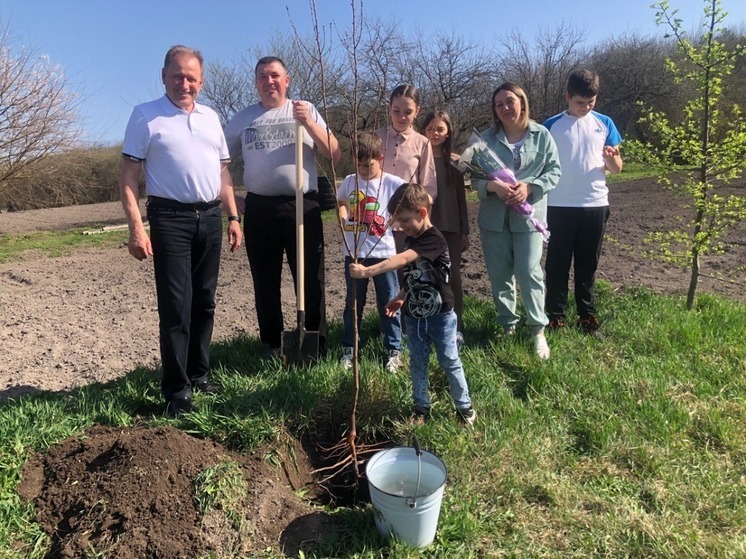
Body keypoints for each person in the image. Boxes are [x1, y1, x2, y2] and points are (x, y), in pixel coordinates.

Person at [119, 45, 243, 417]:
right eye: (177, 76)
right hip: (169, 219)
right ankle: (176, 391)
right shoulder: (145, 117)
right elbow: (128, 178)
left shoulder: (211, 118)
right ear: (164, 76)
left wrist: (233, 217)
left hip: (210, 218)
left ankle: (199, 374)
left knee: (204, 301)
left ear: (201, 82)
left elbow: (222, 174)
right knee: (176, 307)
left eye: (191, 78)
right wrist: (137, 229)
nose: (184, 83)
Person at [224, 56, 341, 358]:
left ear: (286, 80)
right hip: (259, 208)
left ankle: (314, 340)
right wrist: (230, 198)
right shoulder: (242, 119)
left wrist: (309, 123)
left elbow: (333, 152)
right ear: (256, 82)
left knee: (310, 277)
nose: (269, 81)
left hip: (302, 205)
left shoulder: (304, 109)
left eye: (275, 75)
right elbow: (218, 161)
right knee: (265, 280)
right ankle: (272, 343)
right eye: (262, 76)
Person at [350, 183, 475, 426]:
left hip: (440, 316)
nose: (401, 227)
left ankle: (464, 408)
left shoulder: (433, 240)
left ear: (422, 213)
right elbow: (415, 274)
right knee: (417, 362)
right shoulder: (412, 238)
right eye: (397, 221)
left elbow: (403, 260)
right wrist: (401, 296)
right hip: (415, 316)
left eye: (405, 220)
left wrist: (367, 272)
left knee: (449, 360)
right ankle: (421, 408)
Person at [473, 82, 561, 360]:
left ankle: (537, 330)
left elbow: (554, 171)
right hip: (494, 220)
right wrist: (493, 188)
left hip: (529, 218)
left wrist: (530, 186)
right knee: (500, 275)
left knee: (528, 271)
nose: (505, 108)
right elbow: (473, 177)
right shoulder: (484, 139)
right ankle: (507, 326)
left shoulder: (541, 135)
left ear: (522, 102)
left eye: (510, 101)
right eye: (499, 104)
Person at [544, 69, 623, 337]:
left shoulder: (605, 123)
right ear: (567, 96)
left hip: (595, 204)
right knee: (557, 264)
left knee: (587, 266)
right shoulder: (550, 125)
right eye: (580, 102)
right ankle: (555, 317)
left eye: (591, 102)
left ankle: (587, 318)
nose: (586, 107)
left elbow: (617, 168)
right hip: (558, 206)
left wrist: (611, 157)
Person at [337, 132, 403, 372]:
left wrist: (396, 219)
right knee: (353, 304)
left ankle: (393, 350)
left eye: (369, 164)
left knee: (389, 302)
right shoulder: (349, 181)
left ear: (380, 159)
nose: (365, 169)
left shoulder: (391, 183)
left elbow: (414, 198)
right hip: (354, 254)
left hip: (383, 252)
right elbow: (342, 202)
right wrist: (344, 218)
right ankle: (349, 349)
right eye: (360, 164)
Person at [421, 110, 470, 346]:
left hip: (451, 227)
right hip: (425, 228)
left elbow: (462, 199)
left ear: (448, 131)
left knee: (453, 278)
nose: (435, 133)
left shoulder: (456, 162)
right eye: (430, 129)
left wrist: (464, 231)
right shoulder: (419, 158)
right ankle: (428, 327)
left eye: (439, 129)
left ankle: (456, 327)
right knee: (426, 277)